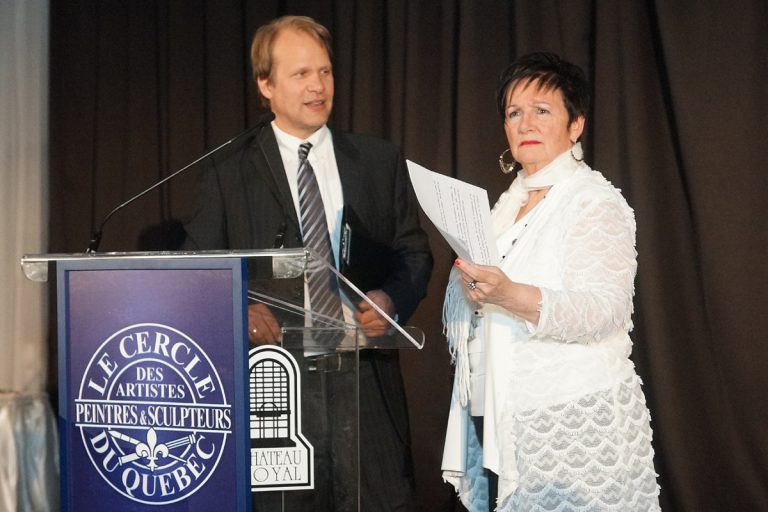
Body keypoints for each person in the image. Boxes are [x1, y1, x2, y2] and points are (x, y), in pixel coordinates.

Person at [182, 15, 433, 511]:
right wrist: (237, 311)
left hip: (367, 386)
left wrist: (390, 299)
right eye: (300, 74)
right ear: (265, 85)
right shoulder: (227, 174)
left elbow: (414, 253)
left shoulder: (378, 161)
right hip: (278, 388)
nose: (318, 86)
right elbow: (196, 274)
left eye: (325, 72)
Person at [440, 52, 660, 511]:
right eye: (514, 113)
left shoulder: (593, 202)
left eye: (542, 110)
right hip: (500, 416)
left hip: (571, 422)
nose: (525, 124)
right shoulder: (507, 205)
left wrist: (508, 294)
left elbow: (603, 310)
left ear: (575, 125)